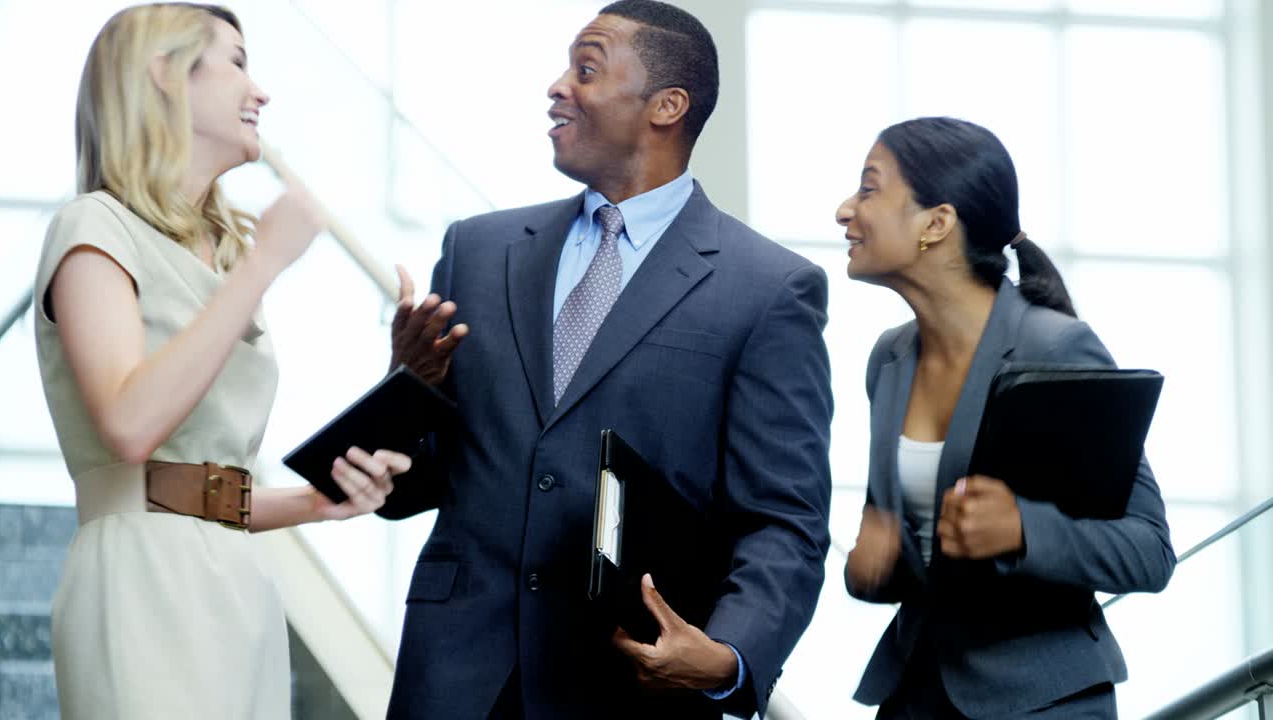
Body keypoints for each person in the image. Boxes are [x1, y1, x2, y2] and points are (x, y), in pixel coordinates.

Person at [382, 1, 833, 718]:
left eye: (585, 68)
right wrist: (410, 386)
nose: (559, 86)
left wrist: (728, 655)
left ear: (667, 106)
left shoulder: (768, 289)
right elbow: (408, 485)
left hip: (629, 685)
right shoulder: (477, 251)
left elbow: (783, 519)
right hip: (457, 677)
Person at [34, 5, 411, 718]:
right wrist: (265, 265)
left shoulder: (220, 256)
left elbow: (197, 489)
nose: (260, 90)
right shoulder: (94, 227)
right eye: (237, 61)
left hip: (235, 582)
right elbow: (129, 427)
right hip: (141, 583)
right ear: (164, 72)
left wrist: (316, 504)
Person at [836, 116, 1176, 718]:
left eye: (869, 188)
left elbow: (1149, 550)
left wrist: (1022, 529)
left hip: (1043, 700)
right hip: (916, 691)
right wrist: (877, 568)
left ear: (936, 224)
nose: (845, 210)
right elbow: (923, 554)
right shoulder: (888, 358)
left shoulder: (1057, 349)